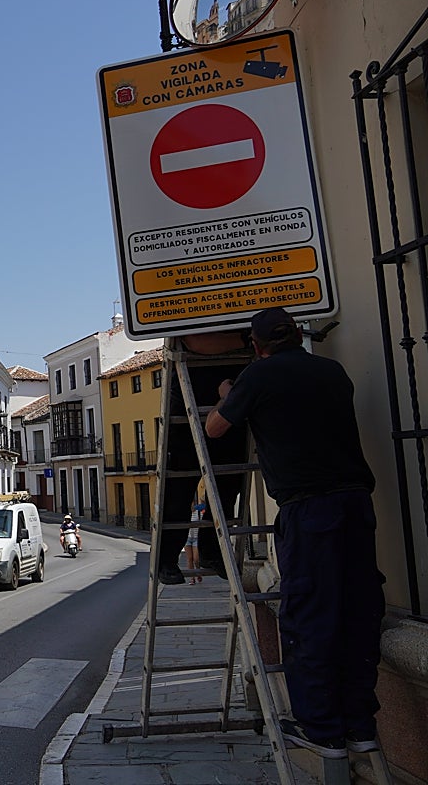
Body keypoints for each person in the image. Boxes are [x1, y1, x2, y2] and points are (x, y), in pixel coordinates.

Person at [205, 307, 385, 760]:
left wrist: (228, 391)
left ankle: (321, 730)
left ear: (257, 344)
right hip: (356, 504)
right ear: (298, 337)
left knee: (310, 615)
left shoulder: (258, 376)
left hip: (309, 510)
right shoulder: (333, 372)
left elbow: (216, 426)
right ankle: (360, 725)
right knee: (358, 611)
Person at [157, 331, 250, 586]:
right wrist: (244, 340)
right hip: (189, 402)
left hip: (229, 403)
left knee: (228, 486)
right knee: (179, 489)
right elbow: (193, 340)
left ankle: (213, 552)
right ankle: (166, 560)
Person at [184, 478, 206, 584]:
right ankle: (192, 578)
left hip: (197, 537)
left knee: (196, 559)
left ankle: (198, 572)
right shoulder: (185, 514)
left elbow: (205, 507)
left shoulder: (199, 512)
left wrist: (202, 501)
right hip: (187, 538)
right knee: (189, 558)